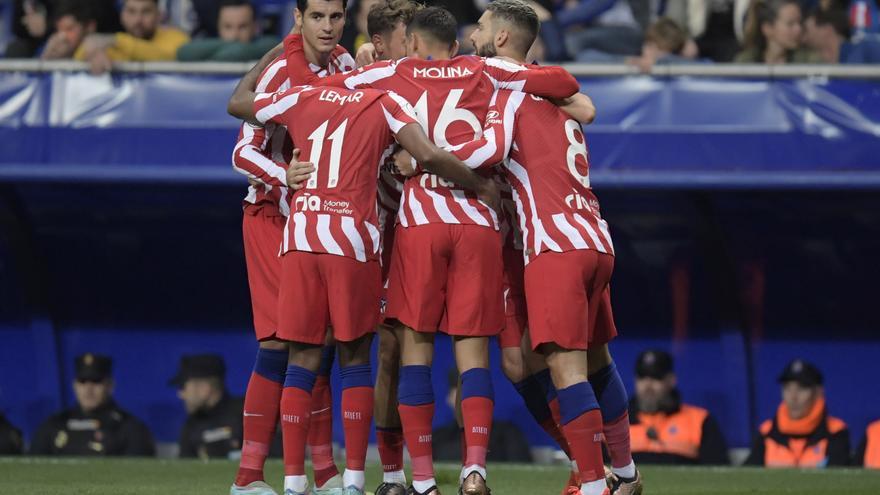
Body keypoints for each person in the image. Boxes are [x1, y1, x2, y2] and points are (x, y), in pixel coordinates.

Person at [266, 7, 581, 494]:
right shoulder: (483, 69)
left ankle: (422, 479)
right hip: (478, 223)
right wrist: (479, 181)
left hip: (419, 221)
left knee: (412, 350)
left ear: (411, 44)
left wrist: (333, 55)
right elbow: (557, 82)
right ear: (455, 45)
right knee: (473, 354)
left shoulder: (392, 73)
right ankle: (475, 469)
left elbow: (318, 91)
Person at [228, 39, 501, 495]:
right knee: (355, 357)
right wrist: (478, 184)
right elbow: (429, 156)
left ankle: (294, 482)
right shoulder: (386, 99)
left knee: (301, 358)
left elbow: (237, 102)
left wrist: (273, 53)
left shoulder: (305, 94)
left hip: (300, 233)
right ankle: (356, 479)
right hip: (351, 238)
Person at [404, 5, 642, 494]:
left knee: (565, 365)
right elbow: (586, 106)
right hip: (591, 235)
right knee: (570, 360)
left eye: (483, 27)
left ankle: (596, 481)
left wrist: (424, 158)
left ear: (503, 37)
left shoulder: (503, 85)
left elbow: (484, 148)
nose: (473, 35)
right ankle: (625, 471)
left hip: (550, 242)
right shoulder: (542, 93)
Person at [228, 1, 356, 493]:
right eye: (318, 16)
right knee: (282, 342)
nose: (328, 26)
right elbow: (241, 150)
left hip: (320, 221)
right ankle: (248, 476)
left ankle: (323, 471)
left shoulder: (346, 64)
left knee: (319, 342)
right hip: (271, 216)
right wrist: (286, 175)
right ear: (298, 18)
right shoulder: (280, 69)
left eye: (336, 16)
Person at [30, 353, 155, 456]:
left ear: (110, 386)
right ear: (74, 386)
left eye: (96, 381)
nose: (88, 389)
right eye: (82, 381)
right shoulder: (54, 425)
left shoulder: (130, 428)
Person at [626, 350, 729, 465]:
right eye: (642, 377)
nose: (648, 385)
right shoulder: (614, 422)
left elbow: (719, 473)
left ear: (671, 380)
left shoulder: (700, 420)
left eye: (656, 377)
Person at [745, 359, 850, 467]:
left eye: (802, 389)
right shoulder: (766, 432)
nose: (793, 397)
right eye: (787, 389)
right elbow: (747, 475)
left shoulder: (836, 432)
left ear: (818, 392)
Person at [433, 368, 533, 464]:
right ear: (449, 399)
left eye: (472, 393)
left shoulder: (507, 434)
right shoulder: (438, 438)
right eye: (459, 392)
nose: (466, 400)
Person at [75, 0, 189, 74]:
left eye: (146, 11)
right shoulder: (114, 44)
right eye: (131, 11)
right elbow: (80, 54)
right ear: (122, 15)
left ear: (159, 15)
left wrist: (116, 40)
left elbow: (166, 56)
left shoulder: (176, 37)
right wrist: (91, 54)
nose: (138, 20)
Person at [170, 354, 244, 460]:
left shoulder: (246, 414)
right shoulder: (191, 426)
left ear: (204, 388)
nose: (181, 394)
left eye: (183, 386)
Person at [177, 0, 278, 61]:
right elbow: (184, 52)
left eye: (242, 26)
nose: (235, 35)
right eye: (228, 27)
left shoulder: (268, 45)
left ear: (255, 27)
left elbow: (238, 52)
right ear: (218, 26)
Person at [735, 0, 822, 63]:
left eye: (799, 22)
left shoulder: (810, 62)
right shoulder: (746, 63)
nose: (798, 29)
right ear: (768, 29)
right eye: (790, 24)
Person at [804, 6, 880, 62]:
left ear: (827, 29)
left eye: (807, 30)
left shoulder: (866, 51)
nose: (804, 37)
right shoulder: (816, 64)